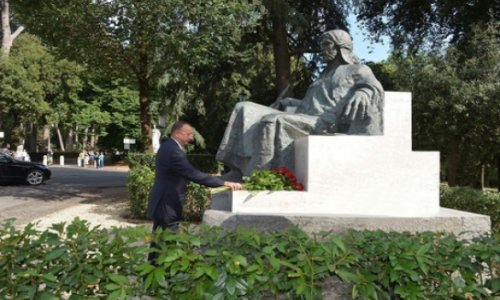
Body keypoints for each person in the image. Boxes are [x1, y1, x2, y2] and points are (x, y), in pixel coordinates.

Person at [216, 29, 384, 179]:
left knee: (272, 120)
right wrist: (289, 101)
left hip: (325, 122)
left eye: (327, 44)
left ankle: (261, 175)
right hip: (304, 116)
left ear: (341, 47)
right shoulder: (323, 74)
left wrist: (364, 92)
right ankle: (237, 168)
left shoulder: (358, 69)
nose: (322, 50)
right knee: (243, 107)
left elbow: (374, 86)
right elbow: (314, 102)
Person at [147, 120, 242, 262]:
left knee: (158, 245)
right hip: (167, 205)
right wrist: (223, 182)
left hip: (163, 202)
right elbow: (192, 174)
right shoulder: (173, 151)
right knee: (166, 246)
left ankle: (151, 279)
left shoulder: (168, 146)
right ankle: (164, 280)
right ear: (178, 134)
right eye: (189, 134)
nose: (192, 138)